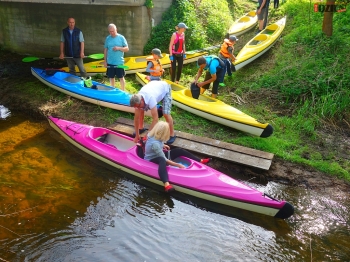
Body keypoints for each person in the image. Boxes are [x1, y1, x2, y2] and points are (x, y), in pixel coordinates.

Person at [143, 121, 211, 193]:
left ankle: (200, 161)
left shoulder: (155, 136)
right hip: (151, 160)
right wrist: (177, 165)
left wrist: (163, 145)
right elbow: (165, 159)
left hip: (157, 154)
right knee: (162, 160)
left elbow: (157, 143)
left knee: (178, 150)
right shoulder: (155, 144)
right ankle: (166, 185)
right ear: (162, 132)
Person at [104, 24, 129, 90]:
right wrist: (105, 61)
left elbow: (127, 49)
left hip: (119, 62)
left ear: (116, 30)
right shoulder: (108, 38)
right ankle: (112, 90)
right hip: (110, 62)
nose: (111, 33)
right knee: (111, 77)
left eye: (113, 31)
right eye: (110, 31)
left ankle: (123, 91)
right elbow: (105, 49)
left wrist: (119, 48)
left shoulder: (121, 38)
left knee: (121, 77)